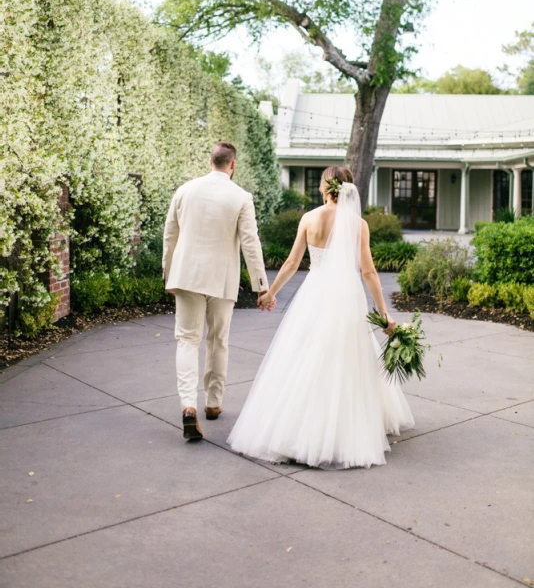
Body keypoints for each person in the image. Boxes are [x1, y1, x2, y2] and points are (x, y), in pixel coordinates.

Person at [228, 166, 414, 469]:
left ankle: (294, 428)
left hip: (314, 293)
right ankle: (337, 430)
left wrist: (270, 293)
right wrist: (385, 315)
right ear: (349, 189)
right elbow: (368, 272)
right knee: (344, 358)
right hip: (346, 295)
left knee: (304, 354)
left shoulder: (309, 218)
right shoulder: (358, 225)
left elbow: (291, 263)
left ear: (325, 188)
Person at [162, 142, 275, 442]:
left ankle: (188, 405)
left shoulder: (185, 190)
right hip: (222, 280)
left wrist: (168, 274)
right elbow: (251, 243)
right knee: (218, 340)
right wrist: (262, 287)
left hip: (186, 276)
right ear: (232, 165)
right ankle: (213, 403)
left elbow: (170, 235)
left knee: (187, 340)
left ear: (210, 161)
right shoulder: (241, 197)